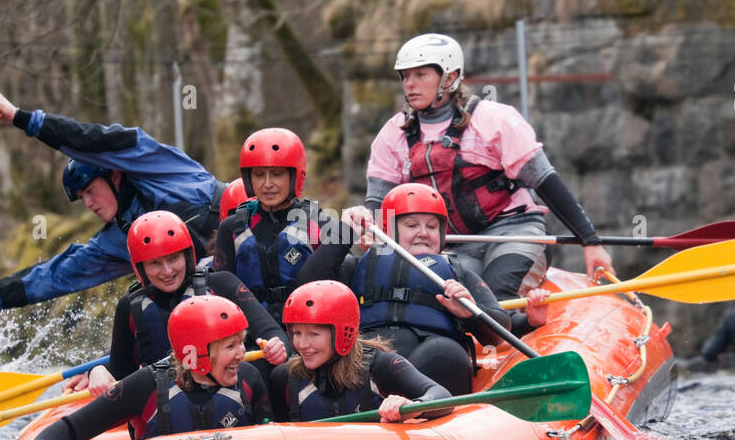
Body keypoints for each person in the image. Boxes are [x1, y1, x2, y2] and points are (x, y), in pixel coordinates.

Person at [355, 33, 615, 300]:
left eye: (420, 75)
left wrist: (590, 242)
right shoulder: (393, 133)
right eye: (405, 76)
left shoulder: (493, 120)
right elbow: (377, 203)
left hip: (514, 232)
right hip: (455, 245)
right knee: (447, 300)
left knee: (495, 298)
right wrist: (372, 232)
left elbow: (546, 182)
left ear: (449, 77)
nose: (410, 84)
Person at [0, 91, 223, 318]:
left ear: (113, 175)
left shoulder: (155, 165)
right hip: (213, 301)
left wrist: (21, 118)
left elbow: (89, 139)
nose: (88, 204)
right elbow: (55, 276)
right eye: (82, 199)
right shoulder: (117, 241)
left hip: (253, 249)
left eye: (90, 191)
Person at [0, 295, 273, 440]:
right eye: (230, 347)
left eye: (241, 343)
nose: (242, 354)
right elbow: (70, 428)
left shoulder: (249, 379)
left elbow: (273, 438)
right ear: (196, 354)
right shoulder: (146, 384)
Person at [298, 182, 508, 396]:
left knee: (446, 353)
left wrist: (471, 314)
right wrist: (344, 233)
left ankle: (433, 412)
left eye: (432, 227)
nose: (423, 233)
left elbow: (499, 331)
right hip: (369, 361)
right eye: (412, 225)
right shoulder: (357, 267)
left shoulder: (457, 272)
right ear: (389, 230)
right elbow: (305, 286)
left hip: (431, 364)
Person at [68, 210, 287, 396]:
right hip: (173, 411)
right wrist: (95, 371)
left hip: (230, 403)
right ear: (140, 268)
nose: (167, 271)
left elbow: (272, 333)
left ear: (187, 256)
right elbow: (121, 373)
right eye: (155, 263)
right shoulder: (130, 307)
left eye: (173, 258)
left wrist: (277, 346)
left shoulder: (222, 284)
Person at [273, 280, 453, 423]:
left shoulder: (381, 366)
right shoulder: (284, 377)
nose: (302, 344)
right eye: (297, 333)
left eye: (313, 334)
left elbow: (443, 396)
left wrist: (413, 406)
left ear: (343, 332)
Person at [211, 128, 325, 322]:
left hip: (306, 331)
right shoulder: (231, 227)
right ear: (248, 178)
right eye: (259, 174)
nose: (267, 184)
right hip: (250, 334)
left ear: (295, 175)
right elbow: (220, 296)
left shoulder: (318, 224)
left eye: (277, 174)